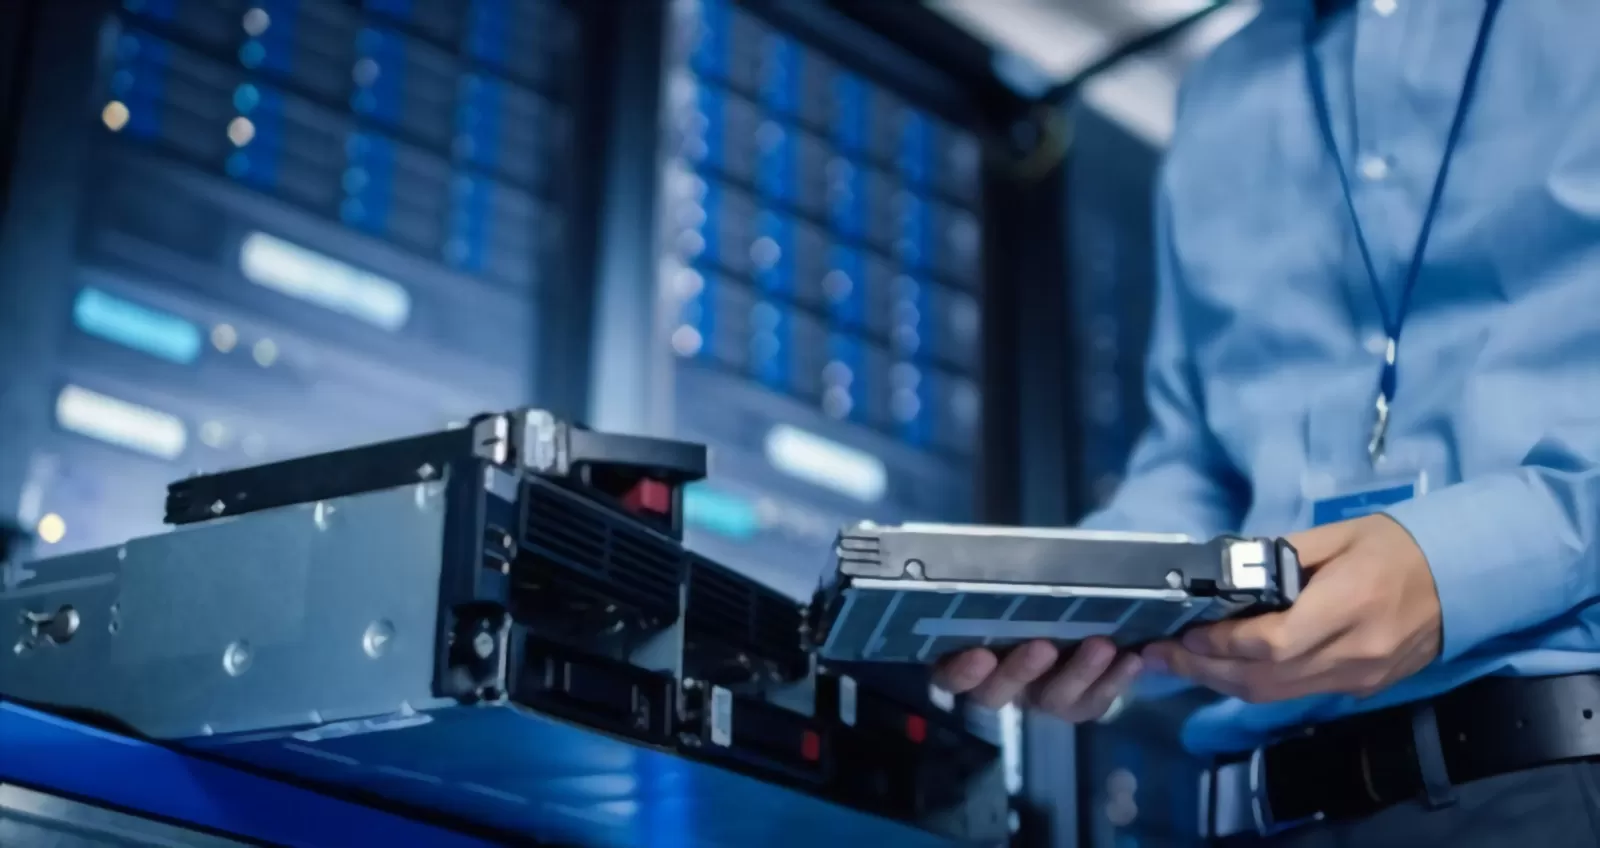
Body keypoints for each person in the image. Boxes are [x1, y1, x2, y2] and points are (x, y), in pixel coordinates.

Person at [935, 0, 1600, 845]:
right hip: (1253, 813)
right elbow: (1198, 465)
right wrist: (1085, 604)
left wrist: (1454, 571)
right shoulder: (1224, 91)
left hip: (1549, 781)